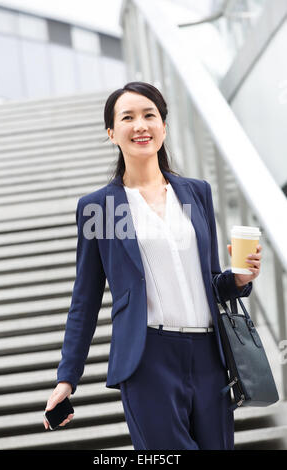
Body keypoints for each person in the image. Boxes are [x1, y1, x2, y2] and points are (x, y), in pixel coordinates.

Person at [43, 81, 262, 449]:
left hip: (210, 356)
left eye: (150, 115)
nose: (140, 125)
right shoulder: (101, 207)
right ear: (112, 133)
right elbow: (85, 298)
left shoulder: (196, 193)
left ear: (163, 126)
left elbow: (208, 280)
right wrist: (68, 378)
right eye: (127, 117)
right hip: (148, 359)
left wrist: (238, 279)